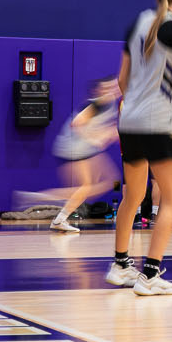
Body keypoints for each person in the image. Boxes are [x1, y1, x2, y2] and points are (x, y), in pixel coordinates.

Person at [110, 0, 172, 296]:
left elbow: (121, 80)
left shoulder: (137, 24)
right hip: (158, 123)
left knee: (132, 196)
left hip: (129, 121)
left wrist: (134, 103)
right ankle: (149, 274)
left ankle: (121, 265)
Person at [24, 77, 118, 232]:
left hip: (83, 149)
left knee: (102, 183)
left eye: (114, 86)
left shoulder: (110, 104)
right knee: (87, 187)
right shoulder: (99, 103)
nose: (113, 89)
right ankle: (44, 204)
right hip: (75, 149)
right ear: (98, 90)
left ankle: (44, 202)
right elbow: (77, 122)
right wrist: (96, 137)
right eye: (107, 87)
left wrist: (108, 134)